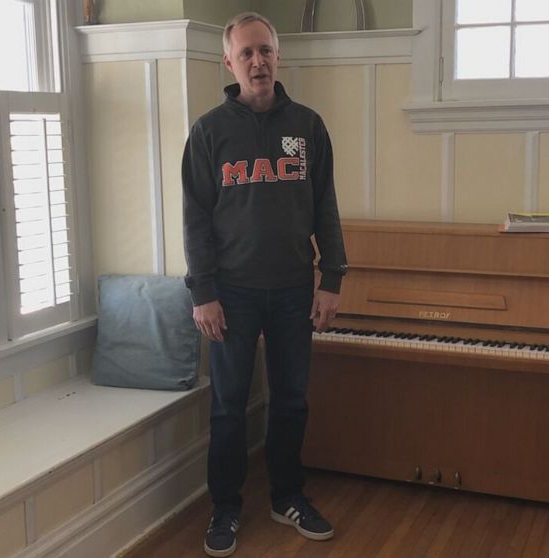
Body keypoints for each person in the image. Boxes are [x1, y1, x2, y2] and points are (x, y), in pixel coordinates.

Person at [181, 11, 348, 558]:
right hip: (231, 294)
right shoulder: (208, 132)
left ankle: (288, 496)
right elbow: (195, 218)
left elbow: (325, 205)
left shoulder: (307, 126)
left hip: (295, 289)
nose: (258, 61)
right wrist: (202, 291)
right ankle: (225, 506)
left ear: (279, 57)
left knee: (292, 399)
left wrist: (332, 277)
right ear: (227, 62)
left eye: (266, 51)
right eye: (247, 53)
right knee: (229, 404)